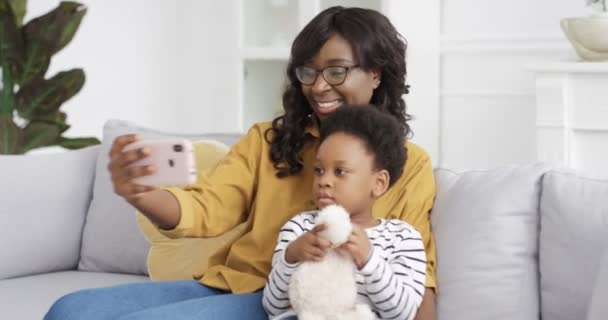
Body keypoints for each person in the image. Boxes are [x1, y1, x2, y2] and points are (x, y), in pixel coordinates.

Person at [44, 6, 437, 320]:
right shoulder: (269, 140)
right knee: (69, 311)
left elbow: (419, 279)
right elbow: (208, 206)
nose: (318, 86)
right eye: (308, 71)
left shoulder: (408, 165)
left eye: (336, 70)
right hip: (230, 284)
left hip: (295, 307)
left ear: (375, 74)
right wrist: (142, 194)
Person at [263, 106, 427, 320]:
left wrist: (369, 261)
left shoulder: (403, 238)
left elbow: (403, 314)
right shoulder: (299, 228)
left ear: (378, 183)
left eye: (340, 172)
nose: (324, 181)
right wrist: (291, 257)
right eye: (319, 170)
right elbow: (272, 307)